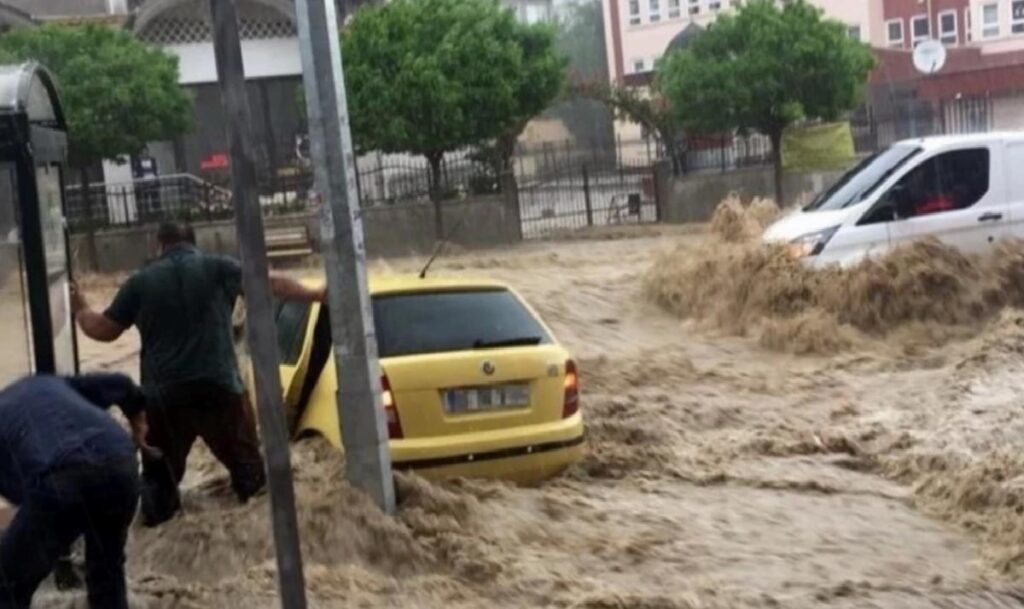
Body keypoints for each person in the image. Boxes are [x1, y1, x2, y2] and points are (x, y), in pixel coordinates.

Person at [70, 222, 325, 527]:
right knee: (252, 482)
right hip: (220, 389)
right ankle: (258, 539)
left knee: (158, 488)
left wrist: (80, 307)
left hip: (163, 399)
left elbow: (102, 331)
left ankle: (159, 533)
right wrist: (316, 293)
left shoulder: (139, 282)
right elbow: (269, 283)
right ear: (193, 242)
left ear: (158, 245)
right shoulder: (217, 268)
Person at [0, 373, 152, 609]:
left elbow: (22, 496)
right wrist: (138, 426)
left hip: (61, 478)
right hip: (120, 464)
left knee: (6, 581)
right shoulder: (52, 385)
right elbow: (122, 385)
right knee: (106, 574)